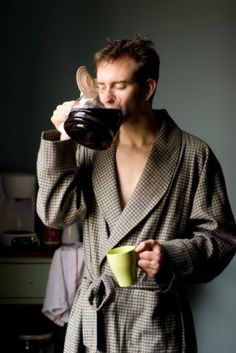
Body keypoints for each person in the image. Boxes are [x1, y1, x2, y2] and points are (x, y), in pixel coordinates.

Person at [37, 36, 236, 353]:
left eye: (119, 86)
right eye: (101, 86)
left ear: (148, 88)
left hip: (156, 324)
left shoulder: (193, 155)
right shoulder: (90, 148)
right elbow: (56, 216)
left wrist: (170, 257)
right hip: (93, 324)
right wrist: (62, 141)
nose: (107, 98)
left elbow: (222, 239)